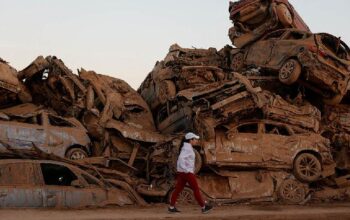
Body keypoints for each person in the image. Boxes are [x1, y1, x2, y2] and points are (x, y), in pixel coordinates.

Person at [168, 132, 213, 214]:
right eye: (195, 139)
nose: (196, 141)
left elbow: (182, 160)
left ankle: (171, 207)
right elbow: (181, 159)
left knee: (178, 189)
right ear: (190, 140)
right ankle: (204, 207)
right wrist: (187, 170)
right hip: (186, 173)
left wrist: (183, 169)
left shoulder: (187, 147)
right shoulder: (187, 149)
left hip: (183, 172)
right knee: (195, 189)